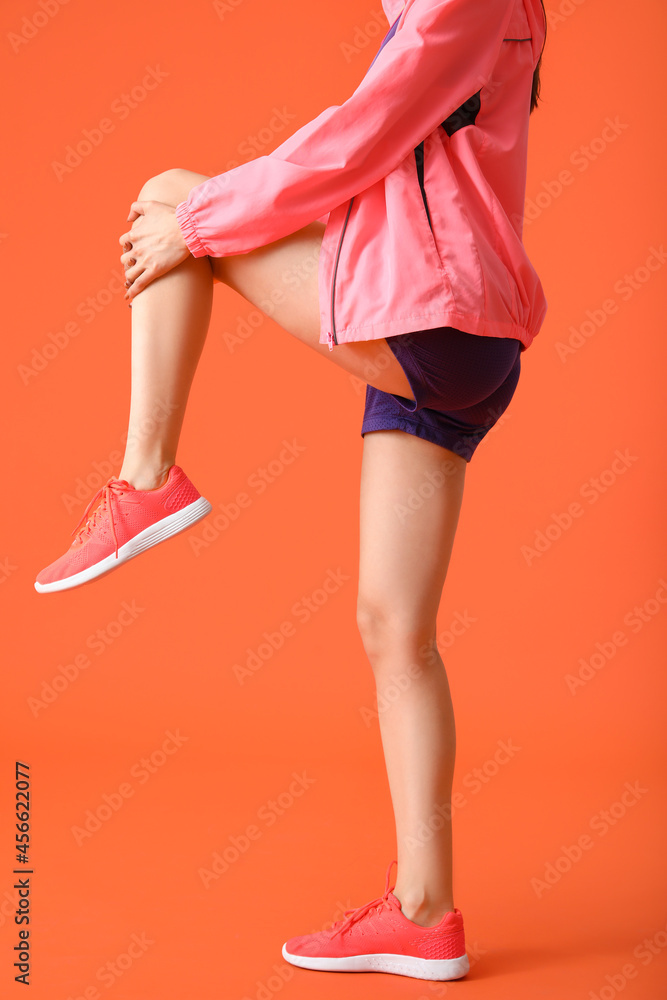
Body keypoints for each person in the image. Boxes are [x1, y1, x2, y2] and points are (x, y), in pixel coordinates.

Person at [35, 0, 547, 982]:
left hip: (434, 316)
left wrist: (204, 219)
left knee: (166, 200)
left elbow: (358, 137)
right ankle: (424, 913)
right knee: (393, 626)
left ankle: (146, 477)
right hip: (462, 340)